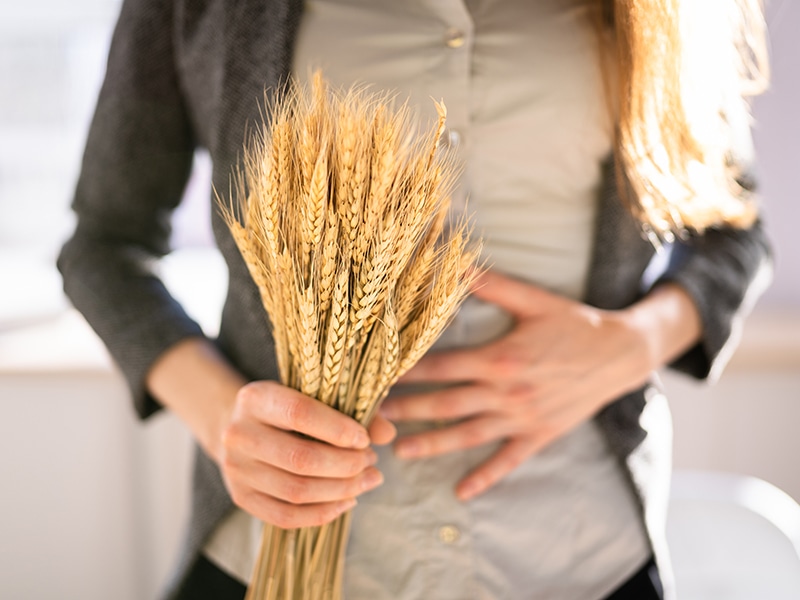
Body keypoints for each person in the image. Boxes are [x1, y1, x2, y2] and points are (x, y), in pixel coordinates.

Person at [58, 0, 772, 598]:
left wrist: (634, 342)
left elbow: (735, 234)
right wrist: (228, 424)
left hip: (580, 556)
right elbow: (105, 246)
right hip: (282, 562)